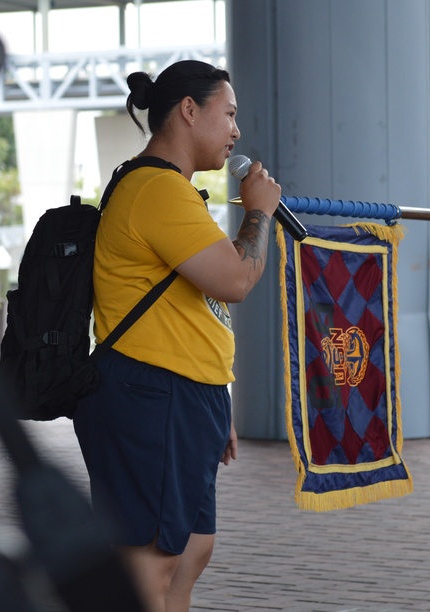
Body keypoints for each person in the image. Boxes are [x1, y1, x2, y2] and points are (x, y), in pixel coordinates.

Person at [72, 60, 281, 612]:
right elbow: (235, 280)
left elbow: (196, 307)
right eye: (229, 114)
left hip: (182, 396)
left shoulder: (173, 191)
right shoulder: (156, 189)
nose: (237, 131)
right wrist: (260, 213)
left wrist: (213, 401)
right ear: (189, 110)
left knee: (189, 553)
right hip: (152, 394)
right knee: (151, 565)